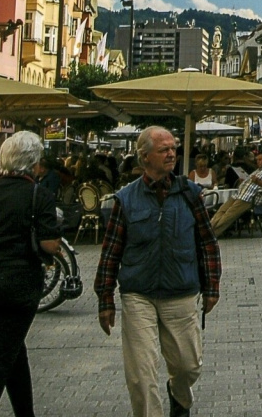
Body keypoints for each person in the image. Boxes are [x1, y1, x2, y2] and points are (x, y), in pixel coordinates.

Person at [96, 126, 221, 417]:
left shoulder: (190, 194)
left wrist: (211, 287)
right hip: (138, 294)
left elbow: (207, 243)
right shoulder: (126, 199)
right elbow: (111, 251)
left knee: (188, 366)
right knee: (140, 374)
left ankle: (179, 395)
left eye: (173, 148)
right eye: (164, 149)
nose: (171, 154)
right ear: (144, 157)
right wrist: (105, 298)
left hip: (181, 291)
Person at [0, 132, 61, 417]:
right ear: (34, 163)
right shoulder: (38, 194)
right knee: (0, 360)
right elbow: (48, 244)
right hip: (22, 284)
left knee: (12, 350)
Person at [210, 146, 262, 238]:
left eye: (260, 159)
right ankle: (209, 228)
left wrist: (258, 181)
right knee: (222, 209)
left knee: (229, 214)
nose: (258, 162)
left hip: (250, 197)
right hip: (240, 194)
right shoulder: (259, 170)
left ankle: (213, 233)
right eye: (257, 160)